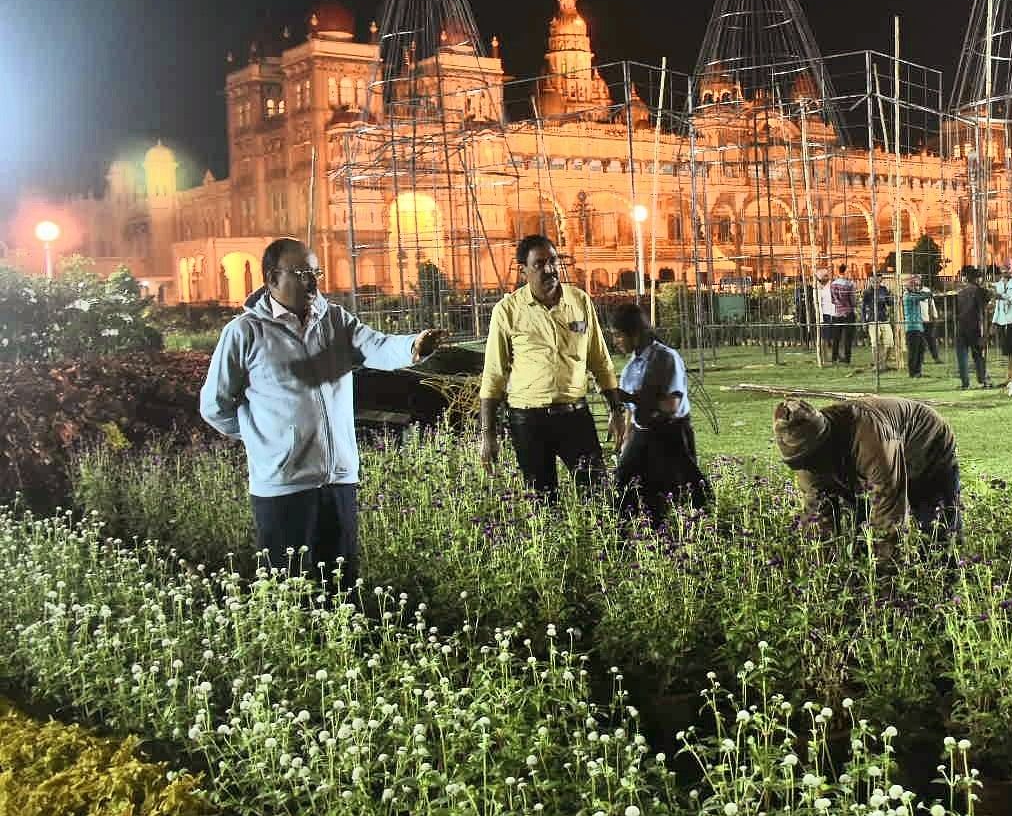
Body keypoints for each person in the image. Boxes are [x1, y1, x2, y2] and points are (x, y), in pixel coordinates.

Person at [199, 237, 448, 587]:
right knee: (290, 593)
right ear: (271, 279)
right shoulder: (245, 333)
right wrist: (267, 441)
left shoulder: (335, 321)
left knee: (343, 590)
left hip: (337, 481)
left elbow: (375, 346)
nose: (313, 282)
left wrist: (412, 345)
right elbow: (215, 406)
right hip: (283, 489)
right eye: (301, 274)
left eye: (316, 272)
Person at [480, 234, 622, 497]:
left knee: (599, 495)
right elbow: (494, 375)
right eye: (539, 264)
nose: (549, 269)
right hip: (528, 421)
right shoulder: (507, 312)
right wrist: (488, 434)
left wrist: (616, 410)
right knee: (542, 501)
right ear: (523, 270)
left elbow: (600, 360)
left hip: (575, 417)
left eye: (553, 261)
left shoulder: (580, 302)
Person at [772, 396, 961, 548]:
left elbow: (889, 514)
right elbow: (818, 516)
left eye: (812, 460)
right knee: (863, 537)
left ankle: (950, 581)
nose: (809, 468)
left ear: (824, 444)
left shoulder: (872, 441)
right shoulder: (806, 454)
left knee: (936, 532)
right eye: (802, 462)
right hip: (868, 461)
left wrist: (885, 582)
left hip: (928, 447)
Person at [606, 302, 710, 525]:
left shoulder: (665, 358)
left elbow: (671, 405)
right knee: (623, 486)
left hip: (670, 435)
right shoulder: (631, 367)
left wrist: (630, 398)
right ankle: (624, 539)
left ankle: (685, 538)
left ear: (634, 333)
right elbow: (632, 416)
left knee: (674, 494)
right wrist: (625, 443)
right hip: (642, 435)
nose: (615, 342)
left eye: (618, 335)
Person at [954, 266, 993, 390]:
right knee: (978, 355)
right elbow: (989, 299)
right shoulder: (980, 290)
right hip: (975, 327)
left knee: (962, 356)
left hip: (961, 326)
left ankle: (965, 383)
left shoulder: (961, 292)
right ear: (978, 279)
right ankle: (983, 380)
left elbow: (956, 311)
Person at [861, 276, 898, 372]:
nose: (876, 283)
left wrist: (891, 297)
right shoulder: (867, 292)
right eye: (873, 281)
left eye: (877, 281)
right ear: (870, 281)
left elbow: (889, 303)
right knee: (875, 341)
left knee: (890, 341)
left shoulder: (884, 290)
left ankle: (883, 363)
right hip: (873, 319)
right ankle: (877, 365)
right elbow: (863, 308)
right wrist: (864, 322)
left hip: (884, 318)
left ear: (880, 281)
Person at [829, 265, 857, 364]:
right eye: (849, 271)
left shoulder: (833, 284)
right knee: (848, 338)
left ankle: (834, 357)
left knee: (836, 337)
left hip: (837, 313)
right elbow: (852, 300)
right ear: (844, 272)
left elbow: (832, 300)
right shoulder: (849, 284)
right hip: (848, 313)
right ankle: (847, 358)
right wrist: (852, 305)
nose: (850, 273)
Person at [902, 275, 929, 377]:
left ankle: (918, 371)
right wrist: (929, 293)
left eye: (918, 285)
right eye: (915, 285)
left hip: (919, 327)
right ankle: (913, 373)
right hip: (912, 328)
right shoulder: (908, 295)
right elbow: (922, 296)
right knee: (913, 352)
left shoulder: (913, 294)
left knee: (921, 349)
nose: (917, 287)